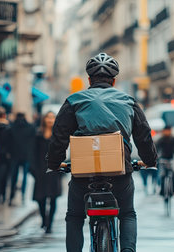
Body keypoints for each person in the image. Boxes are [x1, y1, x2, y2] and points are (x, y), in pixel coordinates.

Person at [47, 53, 158, 252]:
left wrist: (54, 163)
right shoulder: (128, 101)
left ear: (88, 80)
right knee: (127, 214)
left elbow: (59, 136)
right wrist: (150, 160)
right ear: (114, 81)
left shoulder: (74, 101)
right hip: (120, 170)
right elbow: (144, 135)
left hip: (83, 172)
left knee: (74, 216)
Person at [31, 112, 62, 234]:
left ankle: (50, 223)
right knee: (40, 198)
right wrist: (33, 170)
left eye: (52, 117)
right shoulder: (38, 135)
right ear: (44, 120)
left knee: (53, 198)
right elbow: (32, 153)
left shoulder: (58, 135)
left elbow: (62, 152)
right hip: (40, 171)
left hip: (54, 170)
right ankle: (44, 218)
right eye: (48, 117)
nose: (50, 120)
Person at [9, 112, 36, 205]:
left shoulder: (12, 127)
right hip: (26, 155)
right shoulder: (31, 127)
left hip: (14, 155)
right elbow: (33, 143)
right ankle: (23, 196)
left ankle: (11, 196)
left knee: (14, 176)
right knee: (24, 177)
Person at [156, 126, 174, 194]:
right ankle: (162, 190)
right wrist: (156, 157)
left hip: (172, 159)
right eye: (166, 131)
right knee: (161, 175)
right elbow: (156, 149)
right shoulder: (160, 140)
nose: (167, 132)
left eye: (168, 130)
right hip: (163, 159)